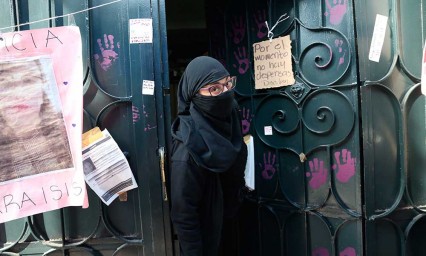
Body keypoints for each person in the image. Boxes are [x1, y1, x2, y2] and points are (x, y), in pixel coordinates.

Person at [170, 56, 248, 256]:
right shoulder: (188, 149)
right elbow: (184, 215)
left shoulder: (230, 122)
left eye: (226, 84)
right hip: (206, 240)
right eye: (214, 89)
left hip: (232, 226)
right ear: (194, 94)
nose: (224, 93)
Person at [0, 58, 74, 182]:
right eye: (5, 82)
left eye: (28, 80)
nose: (19, 93)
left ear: (42, 88)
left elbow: (112, 185)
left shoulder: (73, 127)